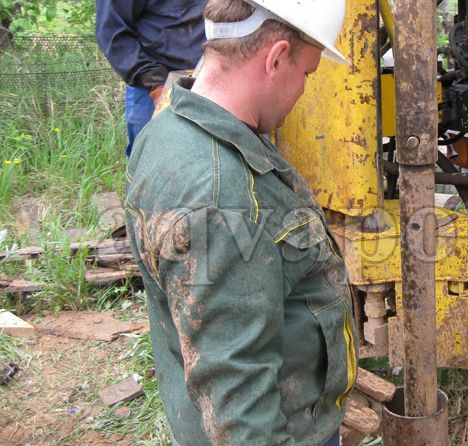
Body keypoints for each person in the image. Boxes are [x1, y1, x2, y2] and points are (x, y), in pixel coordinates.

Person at [124, 1, 357, 445]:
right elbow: (239, 402)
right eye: (306, 74)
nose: (304, 89)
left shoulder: (169, 129)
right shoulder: (220, 198)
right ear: (275, 58)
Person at [95, 0, 206, 157]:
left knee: (208, 164)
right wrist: (156, 82)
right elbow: (111, 32)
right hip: (154, 87)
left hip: (212, 81)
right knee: (150, 162)